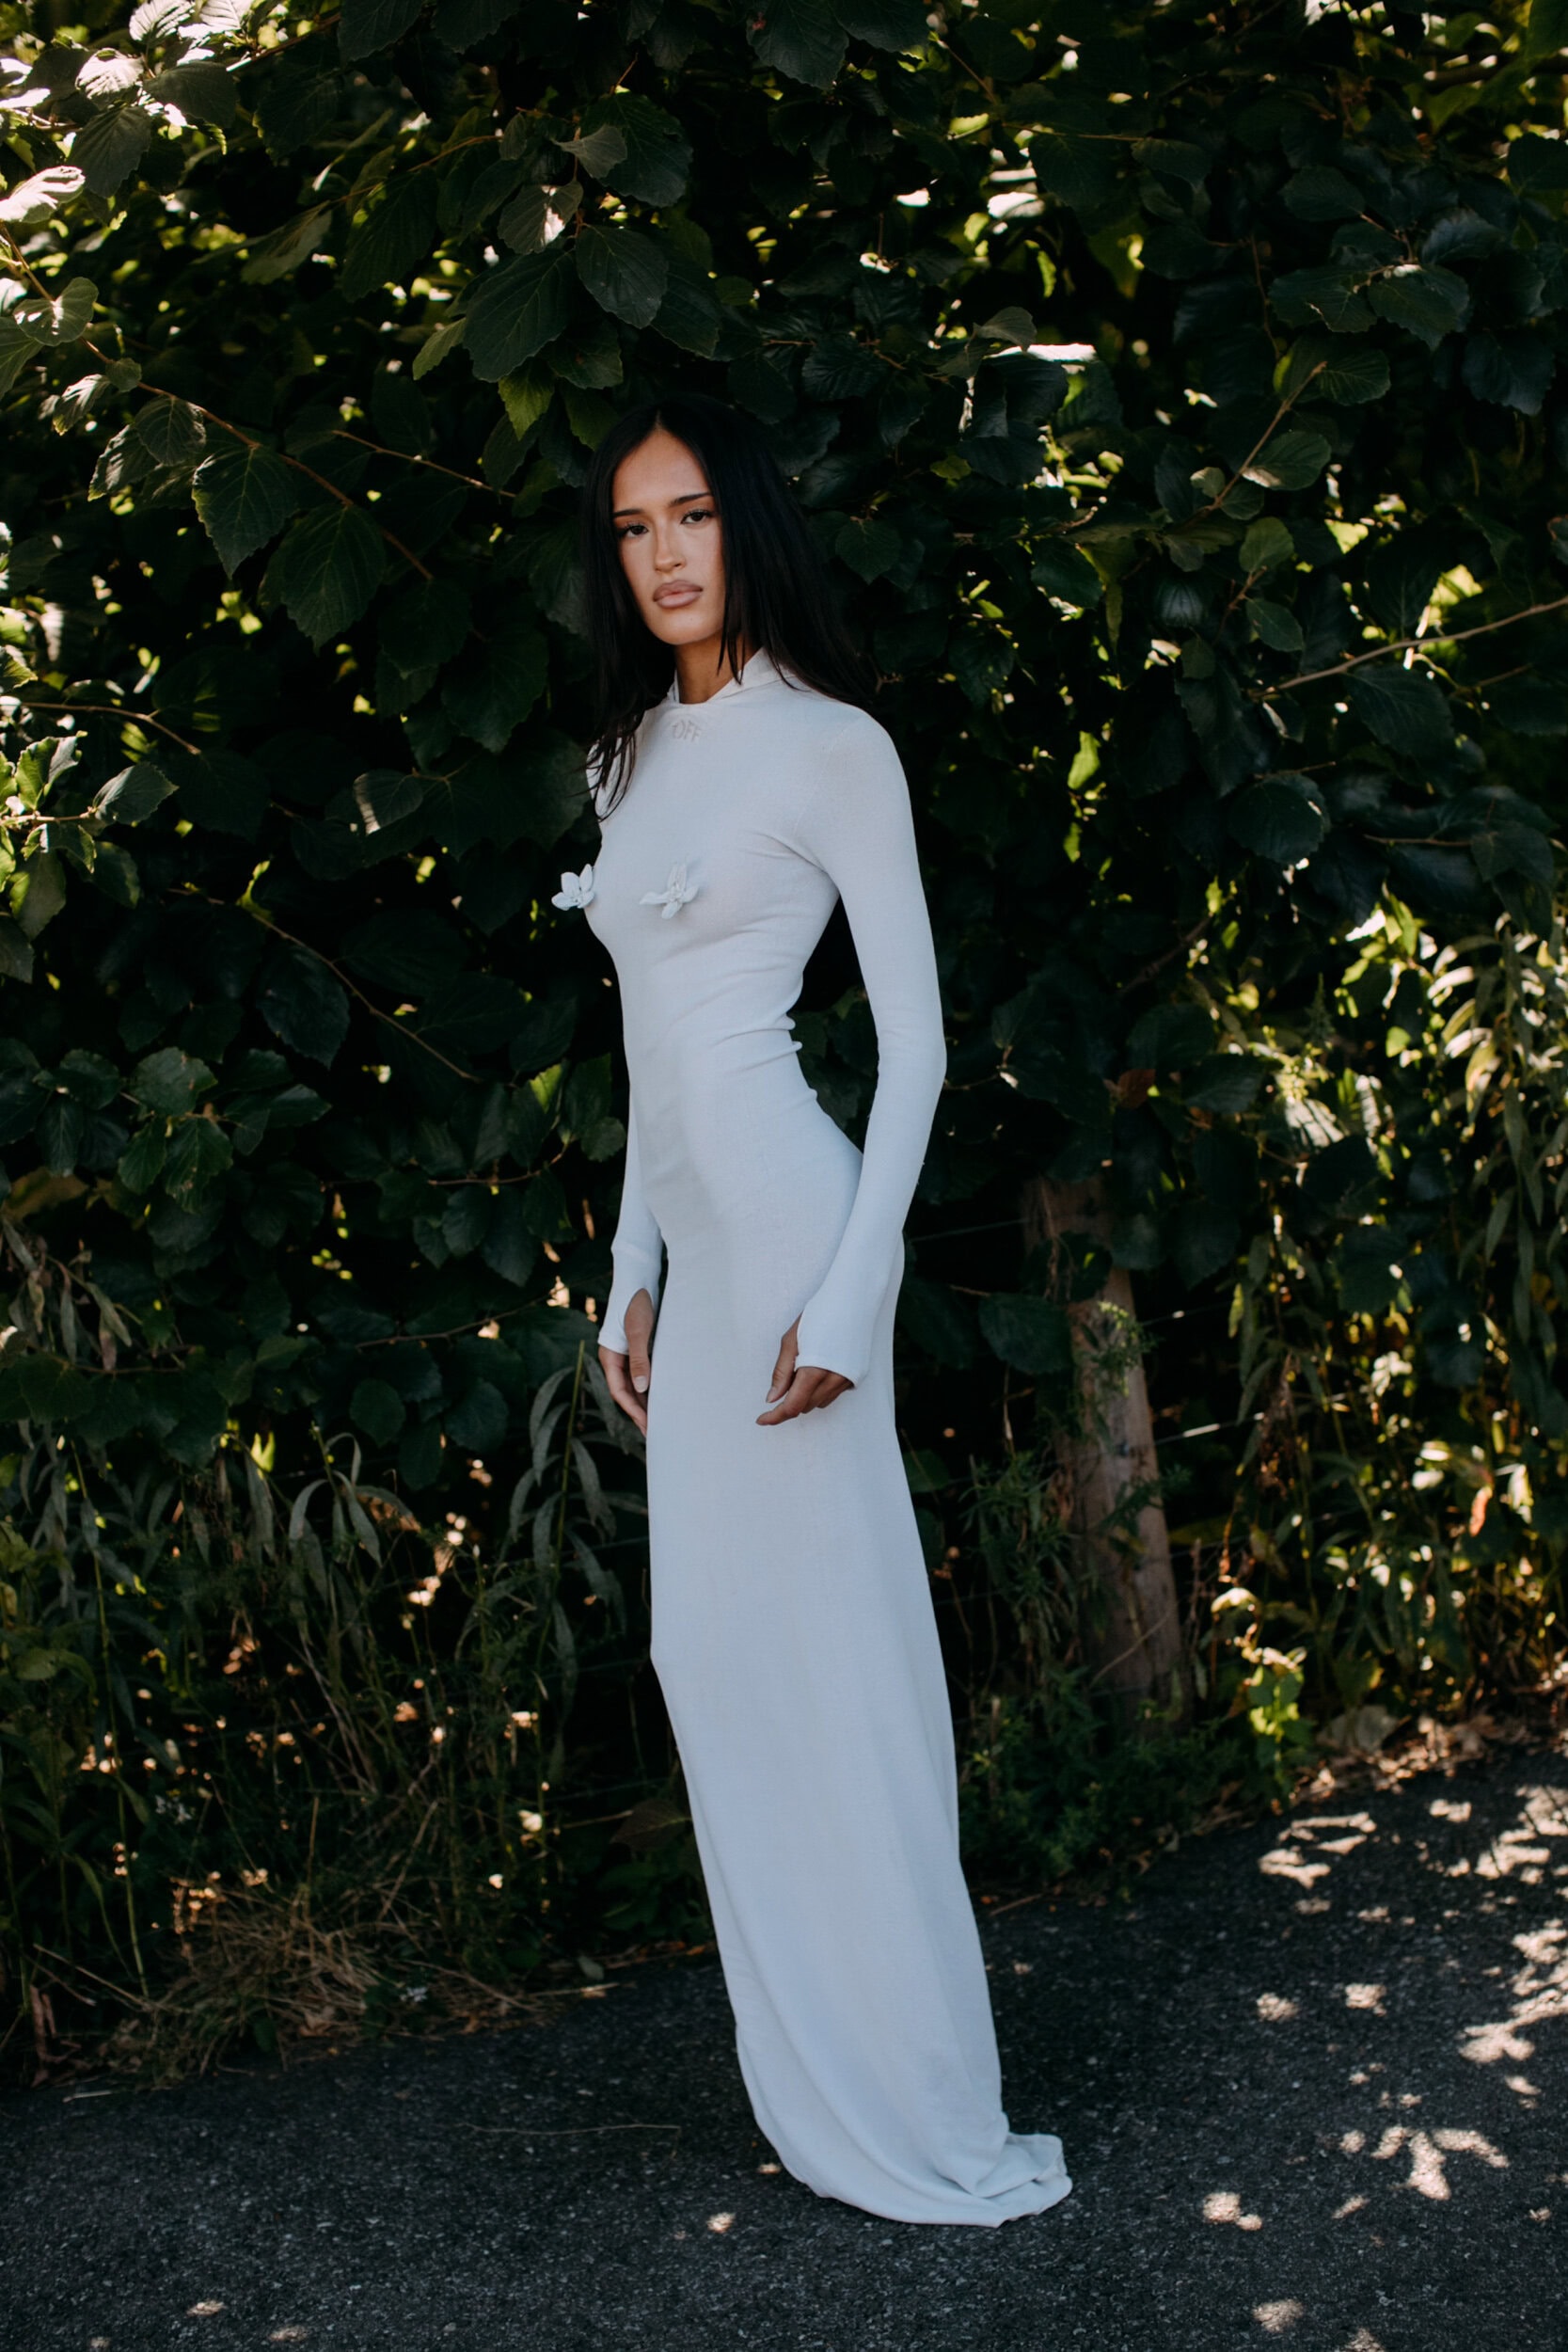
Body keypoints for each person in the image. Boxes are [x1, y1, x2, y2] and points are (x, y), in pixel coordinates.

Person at [564, 390, 1071, 2227]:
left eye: (693, 513)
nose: (667, 553)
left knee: (843, 1673)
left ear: (747, 523)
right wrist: (628, 1270)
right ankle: (816, 2079)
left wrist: (856, 1289)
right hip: (698, 1264)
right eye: (636, 526)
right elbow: (650, 1051)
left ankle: (918, 2100)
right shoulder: (624, 758)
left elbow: (917, 1045)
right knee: (713, 1661)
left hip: (799, 1237)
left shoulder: (835, 745)